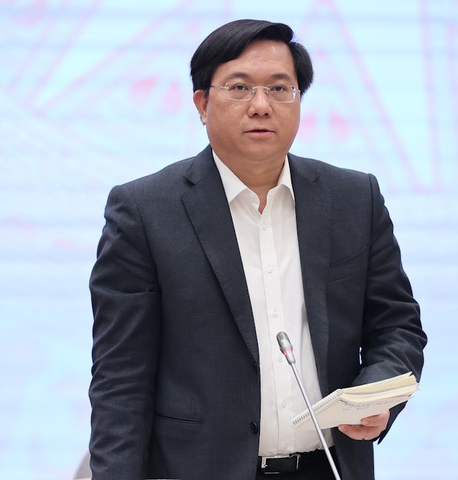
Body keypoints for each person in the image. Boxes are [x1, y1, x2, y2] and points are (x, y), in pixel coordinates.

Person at [88, 18, 426, 480]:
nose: (261, 106)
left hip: (327, 467)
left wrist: (375, 394)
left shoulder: (354, 199)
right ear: (202, 103)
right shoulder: (145, 211)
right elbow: (121, 376)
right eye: (240, 88)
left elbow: (397, 325)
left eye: (280, 89)